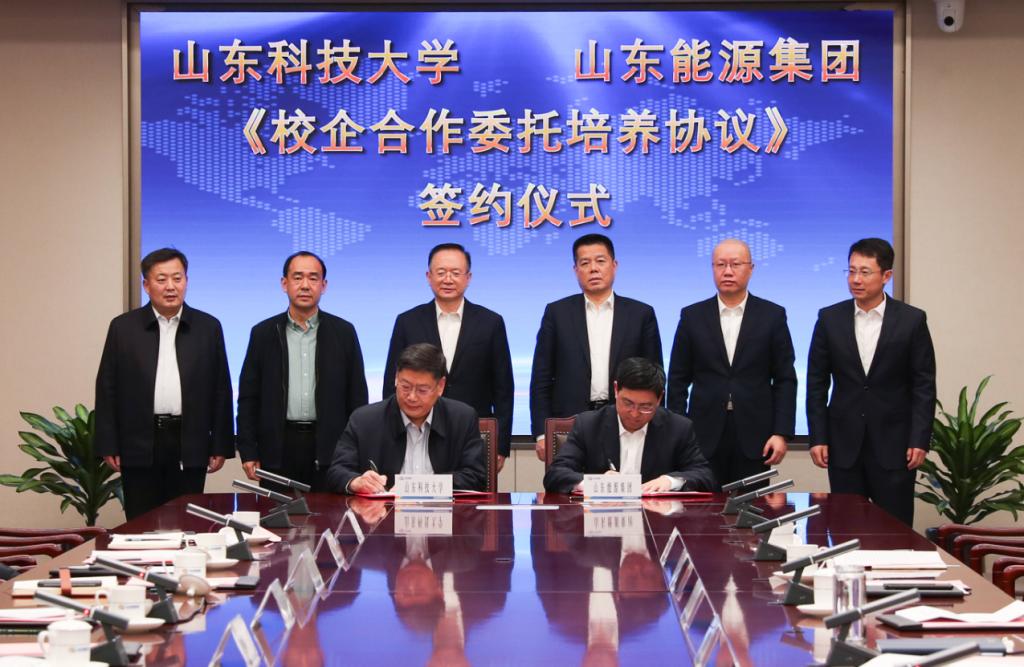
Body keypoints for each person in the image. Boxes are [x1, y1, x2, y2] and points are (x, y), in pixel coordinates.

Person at [95, 248, 233, 519]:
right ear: (146, 285)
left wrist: (220, 444)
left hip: (188, 441)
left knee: (187, 521)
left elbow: (220, 389)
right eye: (161, 279)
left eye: (177, 278)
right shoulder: (123, 328)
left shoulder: (208, 327)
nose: (171, 286)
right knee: (141, 521)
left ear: (186, 281)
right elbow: (107, 388)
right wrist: (108, 444)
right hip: (139, 441)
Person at [806, 238, 936, 526]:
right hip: (844, 443)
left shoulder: (911, 320)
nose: (856, 279)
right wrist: (818, 436)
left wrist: (919, 439)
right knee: (845, 529)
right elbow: (816, 382)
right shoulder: (829, 318)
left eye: (865, 272)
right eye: (851, 271)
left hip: (895, 444)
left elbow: (923, 385)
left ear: (886, 276)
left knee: (895, 529)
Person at [667, 239, 797, 486]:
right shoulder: (692, 316)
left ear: (751, 268)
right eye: (720, 264)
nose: (727, 271)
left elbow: (785, 379)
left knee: (751, 506)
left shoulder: (772, 315)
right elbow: (677, 380)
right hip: (702, 433)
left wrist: (781, 432)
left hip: (755, 434)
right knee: (702, 506)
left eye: (735, 264)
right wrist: (677, 432)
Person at [237, 251, 368, 492]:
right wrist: (248, 450)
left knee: (330, 514)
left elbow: (357, 397)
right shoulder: (263, 333)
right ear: (284, 283)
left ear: (324, 285)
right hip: (277, 449)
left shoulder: (344, 332)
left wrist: (356, 450)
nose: (305, 285)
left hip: (330, 450)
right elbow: (248, 398)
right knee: (276, 514)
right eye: (297, 277)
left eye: (313, 278)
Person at [530, 234, 663, 461]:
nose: (593, 269)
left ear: (614, 265)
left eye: (600, 261)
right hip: (568, 423)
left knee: (625, 481)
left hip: (627, 421)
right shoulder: (557, 313)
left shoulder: (641, 314)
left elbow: (655, 377)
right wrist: (542, 433)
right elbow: (541, 378)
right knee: (569, 482)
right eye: (585, 263)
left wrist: (655, 424)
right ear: (576, 270)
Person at [383, 243, 514, 470]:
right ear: (429, 276)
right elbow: (392, 382)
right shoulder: (407, 321)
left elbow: (503, 388)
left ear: (468, 277)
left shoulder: (491, 322)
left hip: (474, 432)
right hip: (417, 429)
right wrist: (392, 433)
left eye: (455, 273)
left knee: (469, 490)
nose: (448, 279)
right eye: (441, 272)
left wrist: (500, 445)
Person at [328, 343, 486, 494]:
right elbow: (337, 471)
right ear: (396, 378)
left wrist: (419, 488)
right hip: (383, 511)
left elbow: (476, 476)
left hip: (445, 510)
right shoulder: (364, 420)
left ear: (440, 386)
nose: (411, 397)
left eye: (422, 390)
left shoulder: (462, 419)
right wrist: (356, 482)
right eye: (405, 387)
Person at [543, 358, 716, 494]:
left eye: (645, 407)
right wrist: (595, 483)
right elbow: (555, 474)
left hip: (656, 521)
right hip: (601, 521)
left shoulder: (678, 428)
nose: (634, 413)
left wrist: (670, 481)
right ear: (616, 389)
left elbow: (705, 476)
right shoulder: (588, 425)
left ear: (659, 398)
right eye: (628, 403)